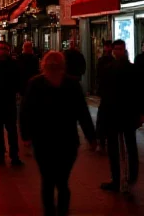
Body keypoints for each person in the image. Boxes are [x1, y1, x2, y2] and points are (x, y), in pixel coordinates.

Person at [21, 51, 97, 216]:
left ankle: (52, 212)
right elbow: (82, 112)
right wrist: (91, 137)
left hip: (45, 140)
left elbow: (26, 112)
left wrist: (26, 135)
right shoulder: (70, 84)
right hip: (65, 139)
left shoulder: (36, 84)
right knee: (60, 181)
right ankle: (61, 211)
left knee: (49, 181)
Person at [100, 39, 144, 192]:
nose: (118, 51)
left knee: (128, 146)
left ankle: (127, 178)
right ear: (113, 51)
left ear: (124, 50)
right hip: (119, 114)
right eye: (116, 49)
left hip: (124, 114)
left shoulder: (130, 69)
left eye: (120, 49)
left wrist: (142, 112)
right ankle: (121, 178)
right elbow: (105, 95)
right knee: (118, 147)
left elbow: (140, 91)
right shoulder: (110, 69)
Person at [95, 40, 115, 151]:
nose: (107, 50)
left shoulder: (105, 61)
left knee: (103, 117)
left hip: (108, 93)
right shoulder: (104, 61)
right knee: (103, 117)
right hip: (107, 93)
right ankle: (102, 140)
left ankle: (102, 140)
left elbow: (98, 76)